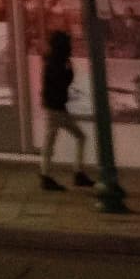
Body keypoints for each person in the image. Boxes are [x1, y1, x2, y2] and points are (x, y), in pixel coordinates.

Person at [36, 29, 84, 191]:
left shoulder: (51, 60)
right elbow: (64, 82)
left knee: (55, 141)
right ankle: (47, 176)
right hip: (56, 109)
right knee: (54, 142)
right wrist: (70, 70)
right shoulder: (57, 62)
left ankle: (50, 175)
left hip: (55, 108)